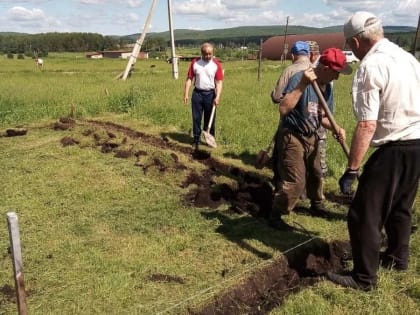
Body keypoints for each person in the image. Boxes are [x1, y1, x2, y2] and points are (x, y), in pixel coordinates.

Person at [326, 11, 420, 291]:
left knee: (364, 213)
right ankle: (397, 259)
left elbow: (367, 123)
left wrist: (352, 170)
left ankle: (363, 278)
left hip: (396, 146)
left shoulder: (372, 65)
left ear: (355, 42)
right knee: (401, 206)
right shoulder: (408, 58)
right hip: (418, 142)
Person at [269, 48, 350, 230]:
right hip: (293, 135)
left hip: (311, 135)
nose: (337, 78)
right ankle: (276, 214)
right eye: (335, 73)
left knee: (316, 173)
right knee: (296, 181)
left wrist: (337, 127)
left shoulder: (327, 87)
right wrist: (303, 85)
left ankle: (317, 205)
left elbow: (322, 116)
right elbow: (283, 109)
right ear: (325, 68)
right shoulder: (299, 78)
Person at [270, 41, 321, 188]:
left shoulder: (290, 70)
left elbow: (276, 97)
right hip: (314, 124)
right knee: (311, 162)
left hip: (291, 123)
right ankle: (309, 192)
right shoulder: (317, 70)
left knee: (283, 157)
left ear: (293, 55)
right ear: (309, 54)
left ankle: (282, 188)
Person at [183, 42, 224, 151]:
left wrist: (218, 96)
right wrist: (186, 93)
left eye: (210, 54)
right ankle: (196, 140)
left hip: (210, 94)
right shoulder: (195, 63)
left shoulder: (216, 65)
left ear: (212, 53)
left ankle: (210, 140)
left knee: (210, 119)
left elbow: (219, 82)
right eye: (205, 54)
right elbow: (189, 79)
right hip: (197, 94)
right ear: (201, 53)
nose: (208, 56)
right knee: (196, 118)